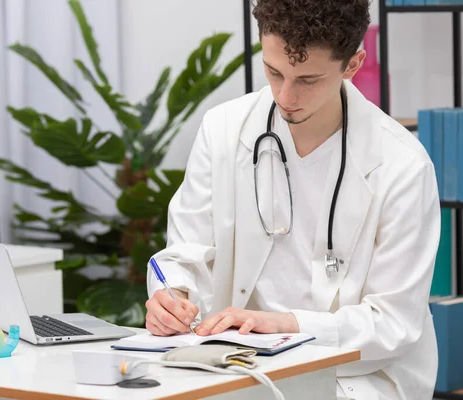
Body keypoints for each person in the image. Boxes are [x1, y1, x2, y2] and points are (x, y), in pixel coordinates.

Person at [144, 0, 440, 399]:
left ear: (352, 65)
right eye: (274, 72)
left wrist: (285, 324)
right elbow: (184, 253)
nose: (286, 95)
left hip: (356, 376)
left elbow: (392, 324)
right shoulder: (224, 130)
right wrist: (173, 296)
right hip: (238, 364)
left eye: (308, 79)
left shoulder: (402, 165)